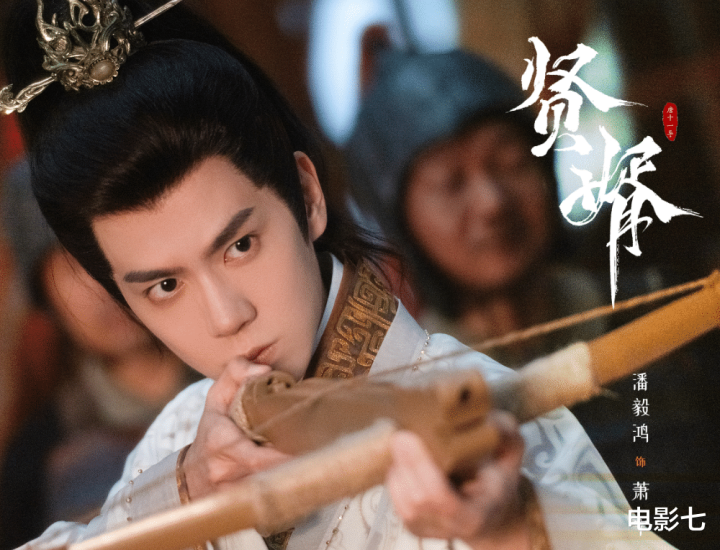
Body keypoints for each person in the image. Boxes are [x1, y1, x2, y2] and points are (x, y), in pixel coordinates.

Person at [2, 1, 673, 548]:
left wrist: (508, 535)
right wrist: (183, 498)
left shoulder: (496, 419)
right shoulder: (182, 444)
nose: (226, 316)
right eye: (164, 286)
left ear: (307, 194)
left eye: (240, 245)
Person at [344, 47, 720, 550]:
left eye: (510, 162)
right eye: (450, 183)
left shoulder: (666, 309)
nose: (492, 202)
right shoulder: (412, 400)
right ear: (400, 225)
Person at [0, 161, 197, 549]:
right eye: (72, 267)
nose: (100, 287)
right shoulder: (36, 459)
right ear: (44, 293)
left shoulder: (240, 377)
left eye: (107, 255)